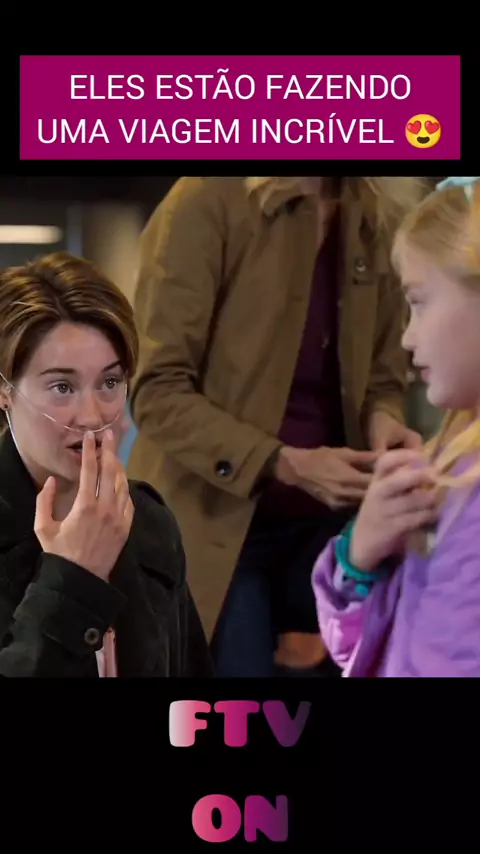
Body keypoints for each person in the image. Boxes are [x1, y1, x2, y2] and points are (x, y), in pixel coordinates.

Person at [127, 176, 426, 678]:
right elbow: (155, 391)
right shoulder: (205, 200)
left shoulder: (379, 212)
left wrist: (385, 421)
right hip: (216, 524)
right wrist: (282, 462)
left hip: (332, 521)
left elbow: (384, 380)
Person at [0, 251, 212, 678]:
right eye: (62, 387)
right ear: (5, 392)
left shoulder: (148, 519)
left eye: (110, 382)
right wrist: (74, 578)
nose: (93, 416)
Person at [312, 176, 480, 677]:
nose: (407, 337)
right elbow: (371, 652)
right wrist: (359, 556)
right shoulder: (449, 465)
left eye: (420, 301)